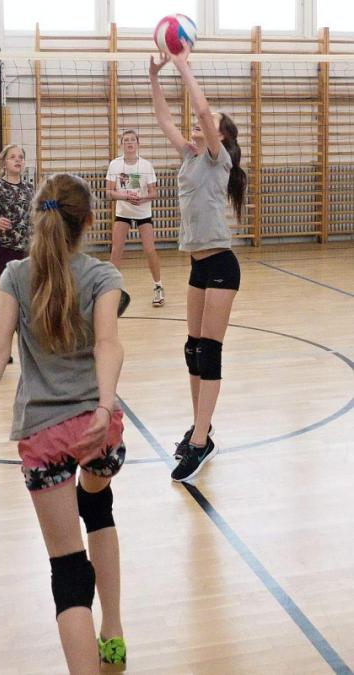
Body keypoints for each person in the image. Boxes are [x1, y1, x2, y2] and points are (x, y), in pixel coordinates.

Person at [0, 173, 129, 674]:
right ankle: (113, 630)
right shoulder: (103, 276)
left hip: (43, 436)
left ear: (37, 219)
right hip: (97, 430)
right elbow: (107, 343)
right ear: (90, 222)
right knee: (97, 506)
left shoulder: (15, 275)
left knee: (68, 569)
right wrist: (103, 408)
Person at [150, 47, 247, 483]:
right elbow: (163, 120)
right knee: (192, 349)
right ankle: (199, 429)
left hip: (222, 264)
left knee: (209, 351)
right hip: (197, 266)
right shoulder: (190, 156)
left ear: (220, 137)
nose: (195, 125)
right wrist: (155, 75)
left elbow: (204, 111)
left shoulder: (216, 158)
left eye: (206, 126)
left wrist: (183, 64)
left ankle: (201, 439)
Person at [106, 129, 164, 307]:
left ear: (138, 144)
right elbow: (109, 192)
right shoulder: (115, 165)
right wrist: (125, 196)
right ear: (121, 144)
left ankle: (158, 287)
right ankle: (111, 290)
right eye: (126, 140)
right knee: (116, 250)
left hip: (142, 212)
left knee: (149, 249)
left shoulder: (146, 165)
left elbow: (154, 193)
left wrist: (142, 198)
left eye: (132, 140)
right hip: (123, 212)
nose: (129, 143)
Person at [0, 144, 34, 284]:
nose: (18, 160)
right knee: (6, 287)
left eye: (21, 157)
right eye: (12, 157)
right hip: (6, 247)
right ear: (3, 163)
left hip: (27, 247)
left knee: (27, 288)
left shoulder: (29, 188)